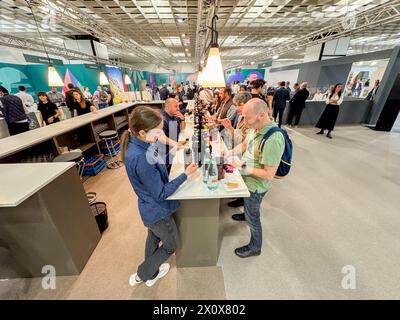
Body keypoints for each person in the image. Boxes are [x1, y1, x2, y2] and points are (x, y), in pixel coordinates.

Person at [121, 106, 197, 287]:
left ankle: (152, 272)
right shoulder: (140, 158)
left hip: (149, 209)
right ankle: (144, 274)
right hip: (157, 210)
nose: (160, 134)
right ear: (141, 132)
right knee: (171, 244)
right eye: (157, 131)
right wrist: (185, 175)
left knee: (153, 237)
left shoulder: (139, 142)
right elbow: (161, 193)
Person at [225, 98, 285, 256]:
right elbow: (245, 144)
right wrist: (229, 153)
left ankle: (255, 247)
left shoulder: (273, 139)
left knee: (253, 217)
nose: (244, 122)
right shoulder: (255, 127)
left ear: (262, 115)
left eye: (247, 118)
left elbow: (269, 174)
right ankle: (246, 213)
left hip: (256, 185)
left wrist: (242, 167)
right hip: (247, 177)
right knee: (248, 208)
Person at [220, 90, 252, 209]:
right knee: (241, 175)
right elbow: (238, 136)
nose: (237, 108)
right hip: (240, 153)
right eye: (236, 105)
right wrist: (229, 128)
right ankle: (240, 198)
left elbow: (244, 142)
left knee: (246, 177)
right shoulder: (241, 117)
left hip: (246, 156)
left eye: (240, 105)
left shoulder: (252, 121)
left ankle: (244, 204)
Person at [159, 98, 186, 173]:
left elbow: (182, 129)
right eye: (176, 106)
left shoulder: (174, 115)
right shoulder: (162, 119)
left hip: (174, 148)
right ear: (167, 107)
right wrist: (176, 144)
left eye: (178, 106)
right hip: (165, 153)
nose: (178, 109)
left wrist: (183, 119)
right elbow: (161, 138)